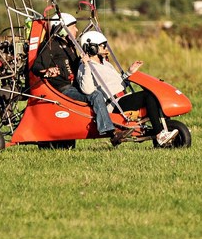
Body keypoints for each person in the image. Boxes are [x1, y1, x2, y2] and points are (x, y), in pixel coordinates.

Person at [32, 14, 131, 145]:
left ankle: (117, 121)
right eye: (73, 27)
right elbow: (36, 66)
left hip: (74, 86)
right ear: (62, 29)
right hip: (63, 88)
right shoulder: (50, 46)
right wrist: (48, 71)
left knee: (99, 90)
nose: (76, 30)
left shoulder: (70, 46)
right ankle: (110, 132)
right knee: (95, 95)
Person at [77, 31, 179, 146]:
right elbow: (87, 90)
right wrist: (86, 66)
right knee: (147, 96)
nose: (106, 48)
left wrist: (129, 72)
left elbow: (118, 84)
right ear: (92, 48)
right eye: (102, 45)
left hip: (123, 97)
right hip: (114, 104)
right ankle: (160, 134)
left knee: (153, 94)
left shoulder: (105, 64)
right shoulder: (84, 66)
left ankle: (166, 129)